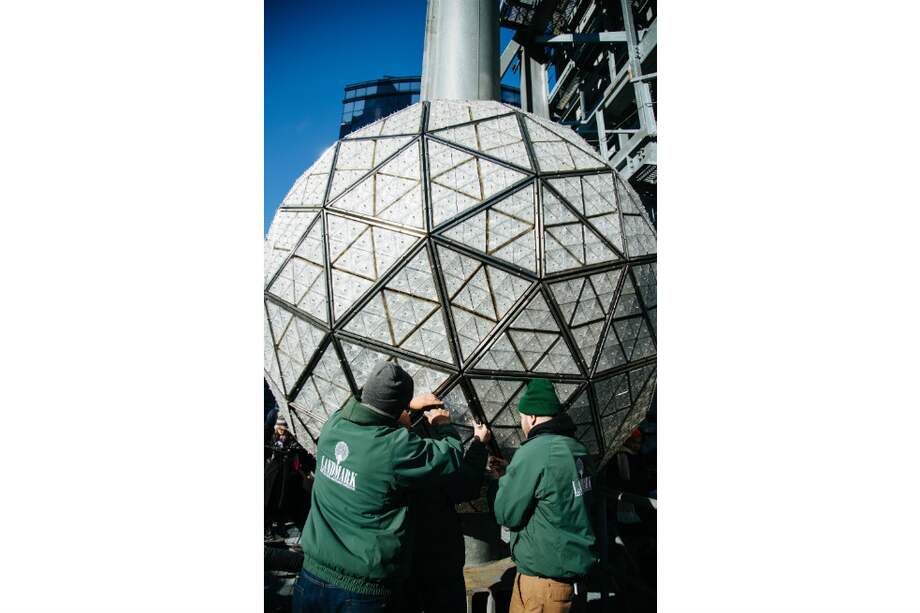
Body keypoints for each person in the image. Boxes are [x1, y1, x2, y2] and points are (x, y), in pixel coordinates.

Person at [293, 361, 490, 613]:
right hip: (361, 592)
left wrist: (404, 406)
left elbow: (358, 405)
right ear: (397, 413)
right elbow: (450, 457)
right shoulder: (396, 450)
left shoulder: (334, 425)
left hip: (311, 576)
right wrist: (442, 425)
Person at [491, 378, 599, 613]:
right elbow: (555, 491)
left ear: (532, 417)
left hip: (541, 584)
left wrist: (505, 481)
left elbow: (507, 514)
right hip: (570, 576)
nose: (522, 425)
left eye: (521, 419)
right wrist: (512, 473)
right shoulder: (577, 449)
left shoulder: (533, 452)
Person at [405, 414, 489, 613]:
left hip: (405, 562)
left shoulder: (383, 452)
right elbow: (464, 484)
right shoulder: (422, 460)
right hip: (440, 559)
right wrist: (478, 443)